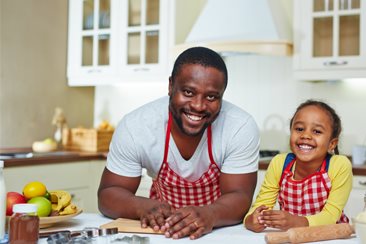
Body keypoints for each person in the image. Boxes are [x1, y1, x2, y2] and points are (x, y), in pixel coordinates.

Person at [98, 47, 260, 240]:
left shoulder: (240, 126)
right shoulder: (137, 126)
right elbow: (108, 194)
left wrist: (212, 214)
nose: (198, 106)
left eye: (211, 97)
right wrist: (141, 206)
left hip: (219, 231)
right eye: (188, 92)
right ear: (170, 86)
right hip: (160, 232)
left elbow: (240, 196)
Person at [244, 100, 352, 232]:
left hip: (329, 237)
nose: (305, 135)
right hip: (291, 237)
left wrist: (297, 222)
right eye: (299, 129)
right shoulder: (279, 163)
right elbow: (260, 206)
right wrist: (252, 220)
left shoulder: (339, 165)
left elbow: (331, 216)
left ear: (332, 144)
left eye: (317, 131)